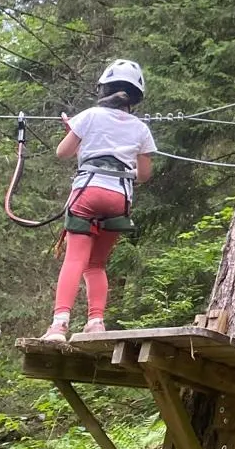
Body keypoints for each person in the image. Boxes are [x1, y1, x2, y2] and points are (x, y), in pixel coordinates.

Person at [40, 59, 157, 341]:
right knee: (96, 264)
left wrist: (74, 133)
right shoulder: (141, 128)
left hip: (88, 193)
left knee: (75, 259)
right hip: (119, 199)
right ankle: (95, 323)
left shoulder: (90, 116)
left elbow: (62, 153)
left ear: (104, 89)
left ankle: (59, 326)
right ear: (135, 98)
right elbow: (143, 175)